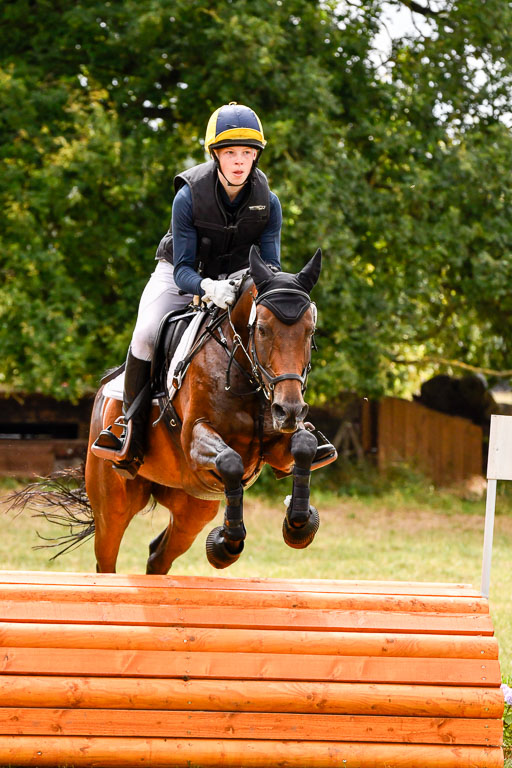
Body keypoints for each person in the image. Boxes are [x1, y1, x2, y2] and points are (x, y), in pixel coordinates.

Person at [93, 102, 283, 478]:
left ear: (256, 156)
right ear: (215, 155)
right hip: (181, 276)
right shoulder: (188, 196)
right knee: (147, 335)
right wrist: (207, 286)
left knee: (280, 331)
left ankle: (287, 427)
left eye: (247, 152)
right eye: (230, 152)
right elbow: (181, 270)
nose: (239, 161)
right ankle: (128, 429)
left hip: (237, 282)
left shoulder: (269, 203)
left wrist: (254, 292)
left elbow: (271, 269)